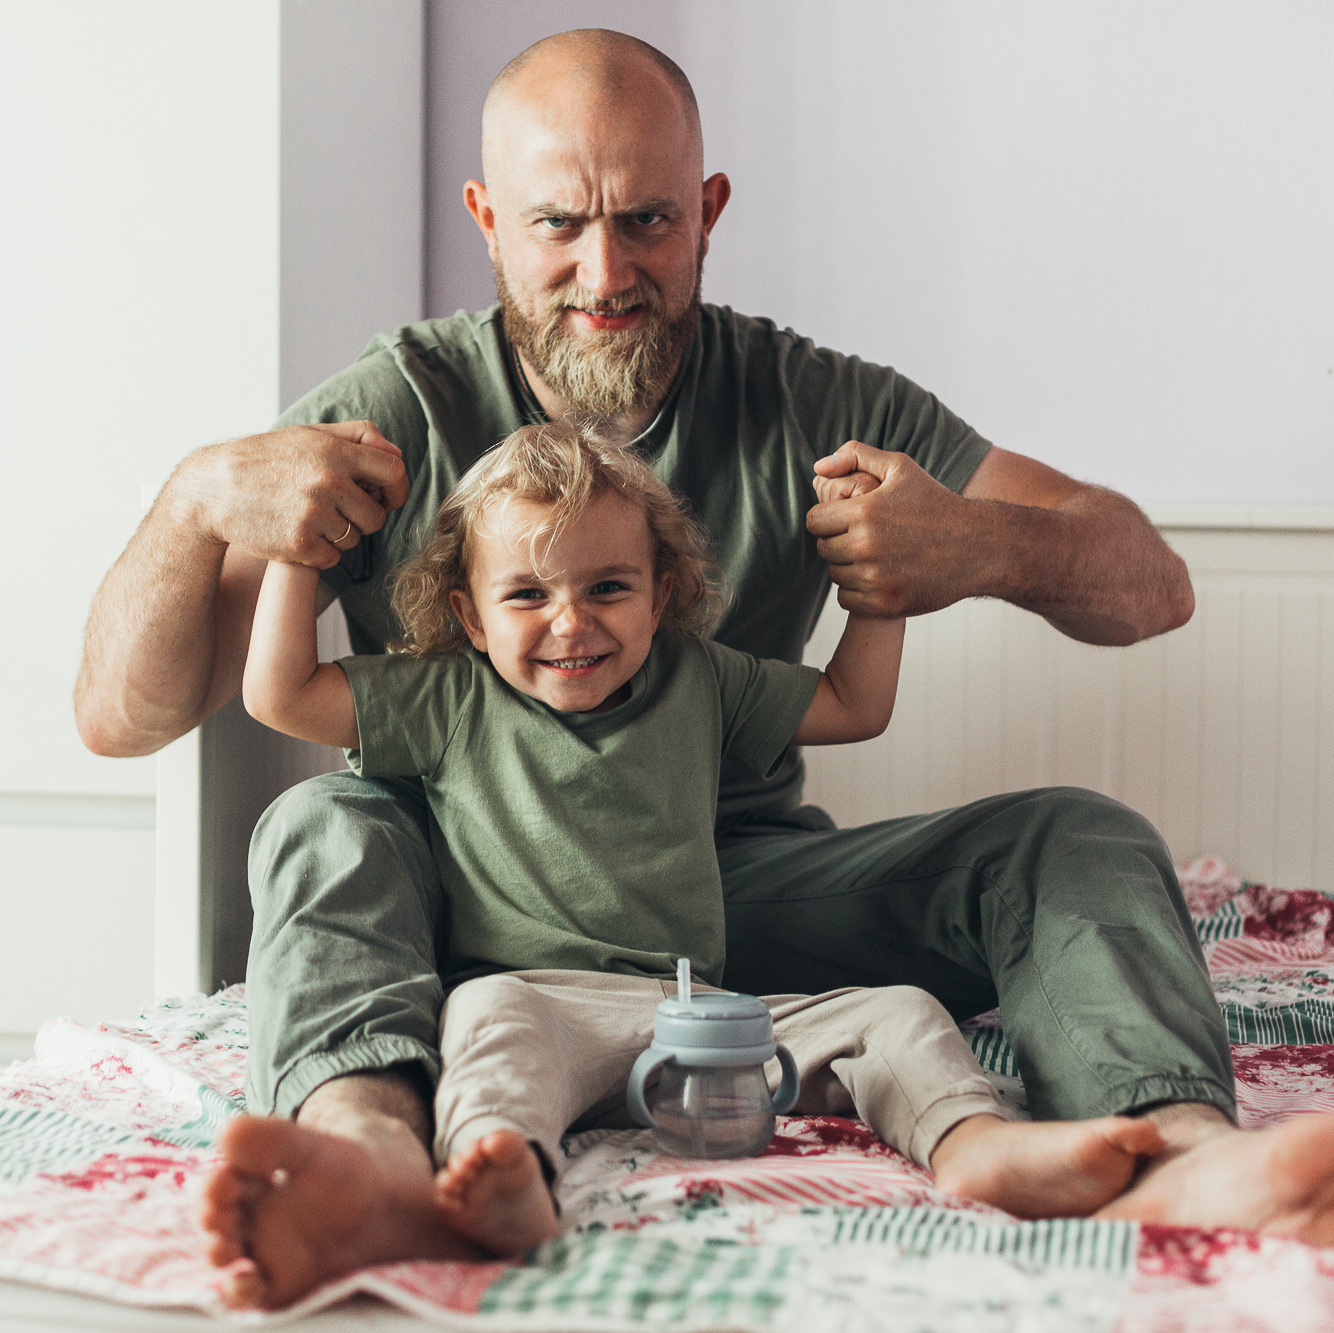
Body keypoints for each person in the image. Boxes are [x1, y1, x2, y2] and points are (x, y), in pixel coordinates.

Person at [74, 24, 1334, 1279]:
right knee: (322, 826)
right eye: (558, 223)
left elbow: (1148, 586)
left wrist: (979, 546)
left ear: (710, 211)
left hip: (731, 897)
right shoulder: (398, 401)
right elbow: (117, 718)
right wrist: (195, 499)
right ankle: (371, 1162)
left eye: (649, 221)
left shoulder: (807, 401)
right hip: (468, 891)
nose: (604, 268)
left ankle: (1176, 1157)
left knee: (1078, 833)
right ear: (487, 218)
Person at [204, 422, 1164, 1307]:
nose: (571, 622)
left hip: (702, 1011)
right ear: (469, 611)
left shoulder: (697, 677)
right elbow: (281, 692)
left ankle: (973, 1142)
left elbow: (851, 705)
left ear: (661, 592)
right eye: (527, 595)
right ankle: (505, 1177)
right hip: (538, 997)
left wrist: (884, 597)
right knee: (485, 1024)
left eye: (607, 587)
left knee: (899, 1012)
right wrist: (301, 553)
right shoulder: (450, 698)